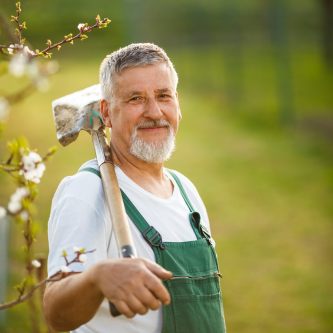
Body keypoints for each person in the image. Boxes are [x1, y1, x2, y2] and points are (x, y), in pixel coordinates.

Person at [44, 43, 226, 333]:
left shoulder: (186, 191)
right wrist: (97, 278)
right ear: (106, 112)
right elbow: (55, 313)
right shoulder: (86, 193)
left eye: (163, 96)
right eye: (135, 99)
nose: (154, 112)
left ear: (177, 106)